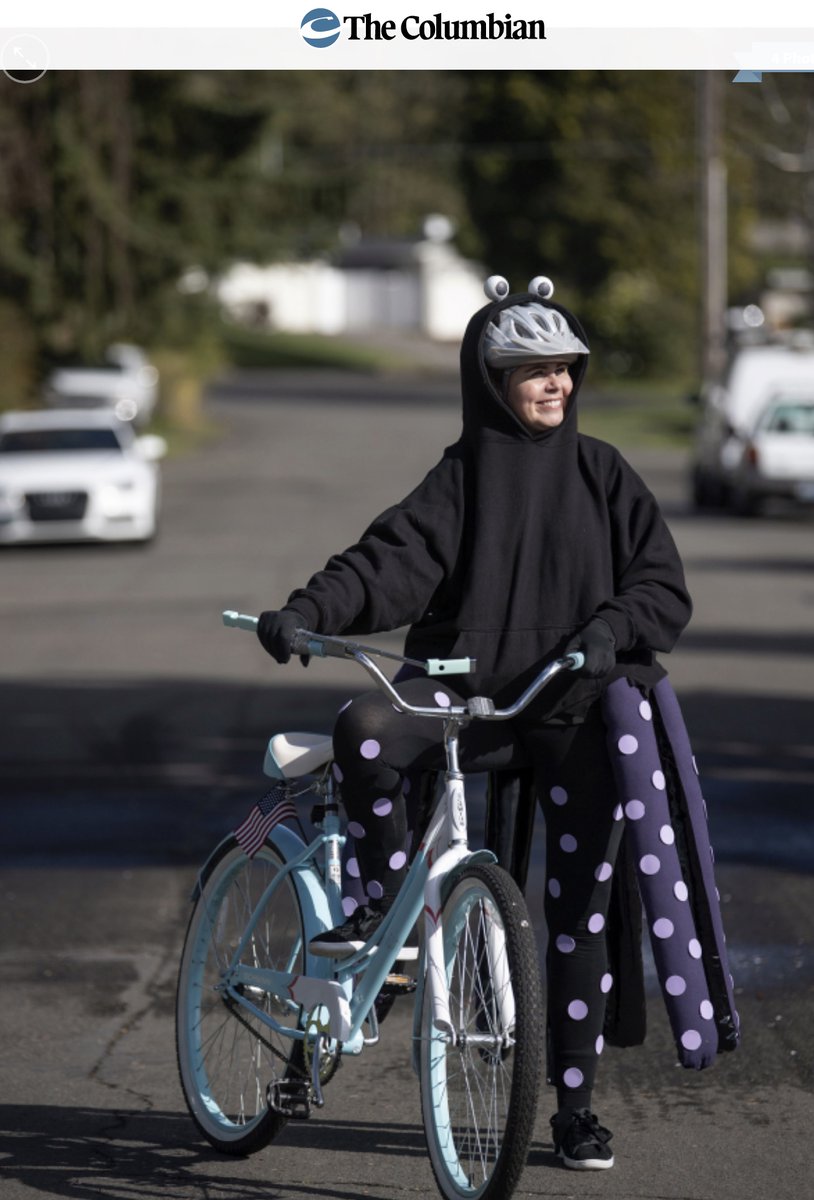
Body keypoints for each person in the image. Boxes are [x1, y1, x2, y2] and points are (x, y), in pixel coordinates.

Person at [256, 276, 739, 1171]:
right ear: (490, 381)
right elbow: (387, 563)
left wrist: (610, 631)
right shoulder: (462, 475)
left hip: (570, 710)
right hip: (469, 698)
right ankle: (384, 914)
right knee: (365, 724)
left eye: (565, 369)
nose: (556, 385)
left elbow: (662, 587)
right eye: (534, 372)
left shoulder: (605, 475)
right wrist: (306, 608)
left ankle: (576, 1108)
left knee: (577, 917)